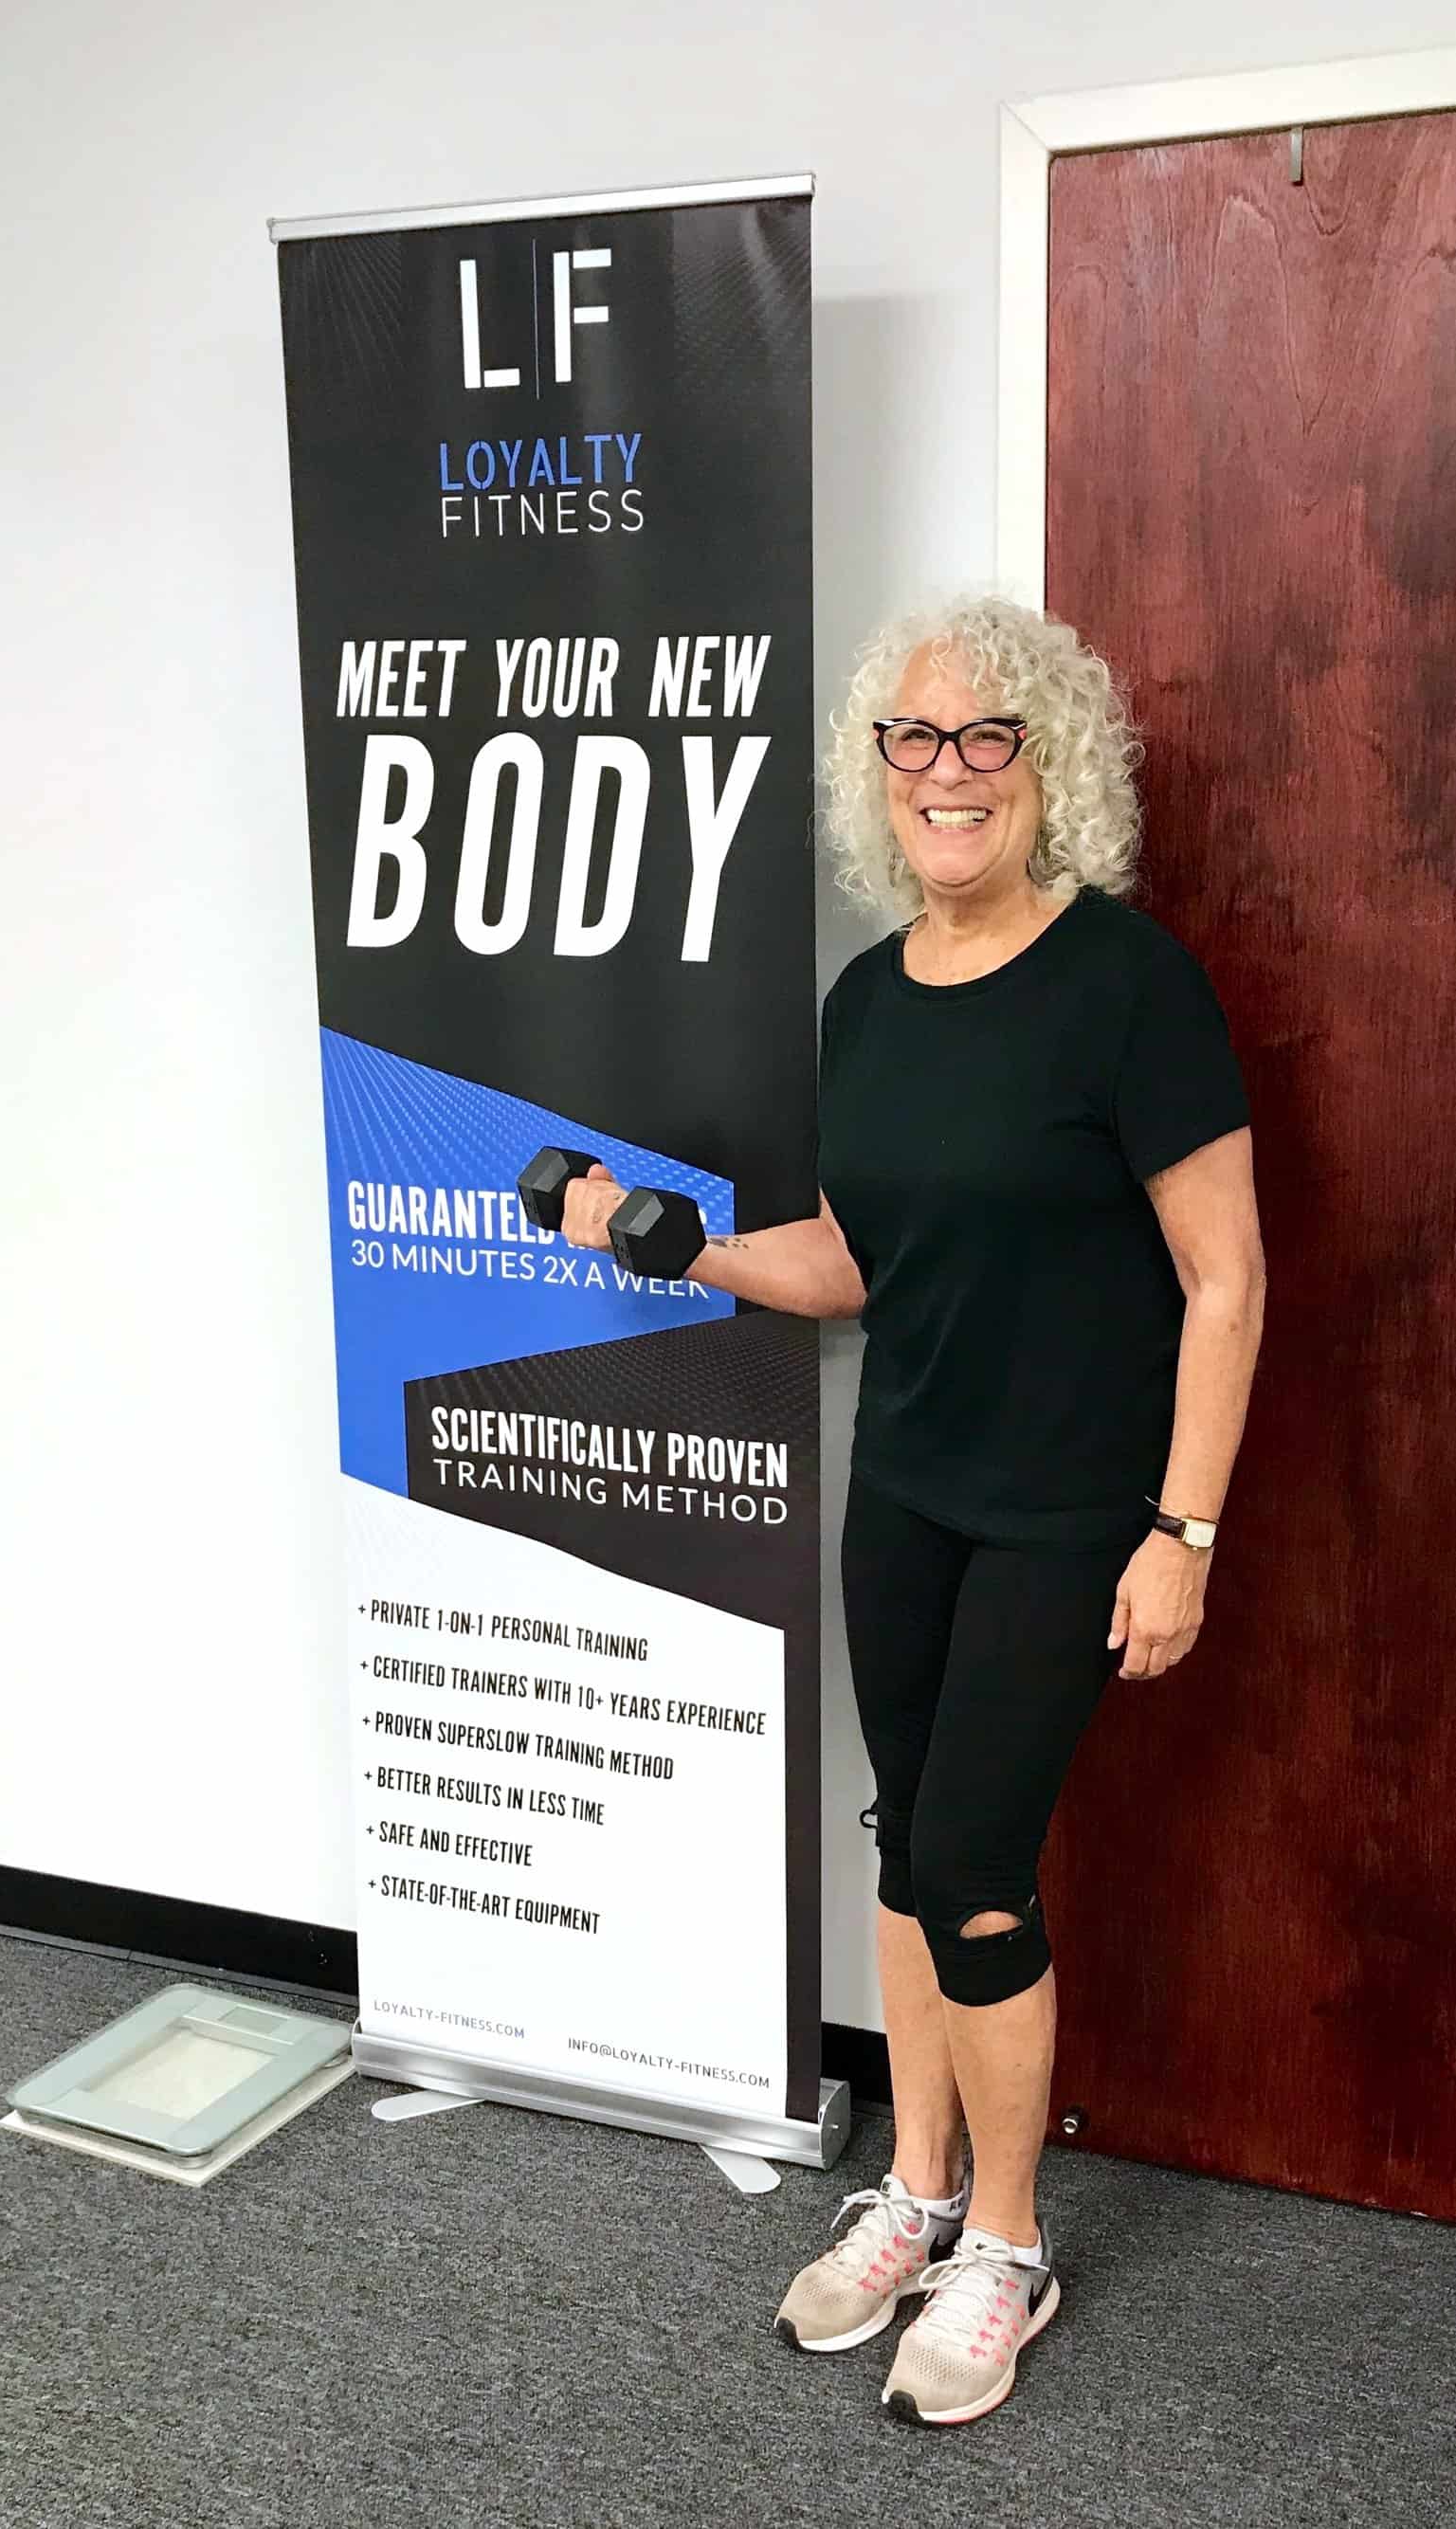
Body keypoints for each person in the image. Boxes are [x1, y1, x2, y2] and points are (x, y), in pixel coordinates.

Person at [558, 591, 1265, 2428]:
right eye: (916, 741)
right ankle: (922, 2192)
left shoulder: (1129, 984)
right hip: (912, 1487)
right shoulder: (868, 1002)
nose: (948, 775)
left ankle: (1012, 2244)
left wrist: (1179, 1529)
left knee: (973, 1865)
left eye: (987, 739)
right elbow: (860, 1255)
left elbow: (1226, 1276)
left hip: (1067, 1510)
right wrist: (684, 1240)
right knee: (903, 1842)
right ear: (882, 775)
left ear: (1051, 768)